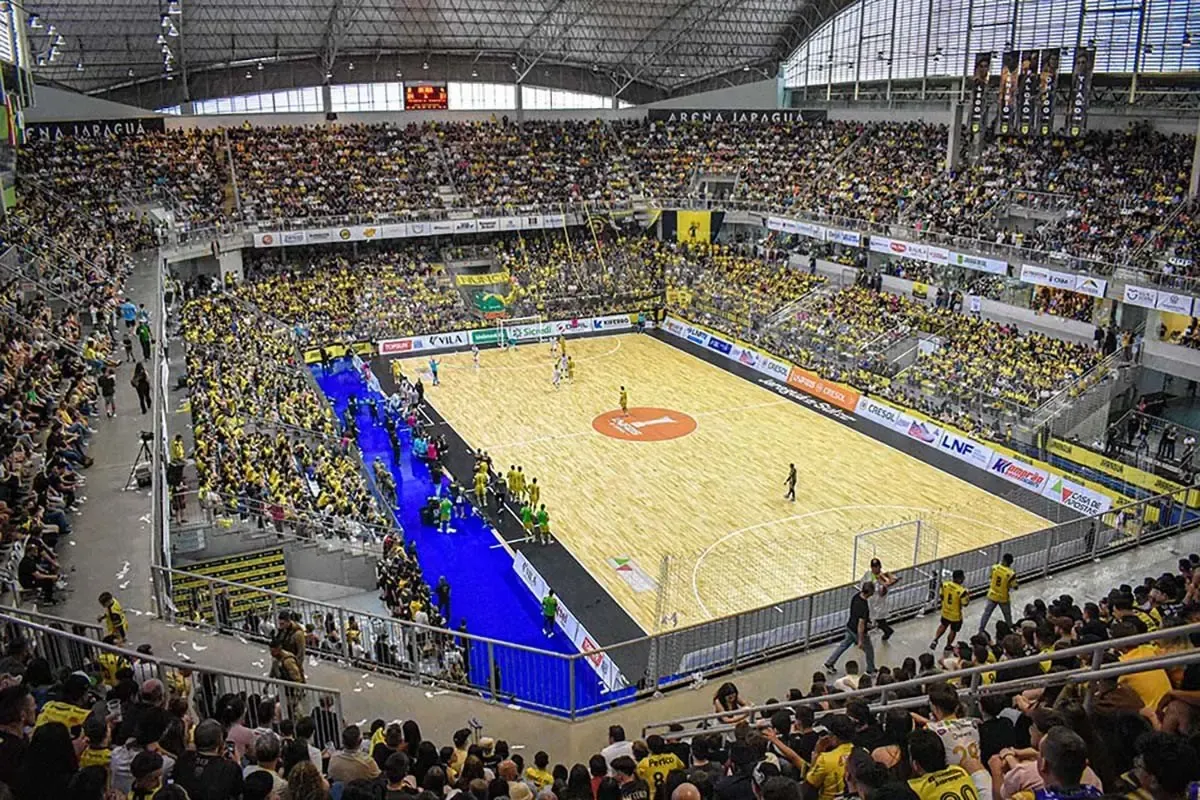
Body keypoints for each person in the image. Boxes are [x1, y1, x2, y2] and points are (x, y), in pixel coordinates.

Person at [173, 719, 245, 800]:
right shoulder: (230, 768)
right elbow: (239, 794)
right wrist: (238, 763)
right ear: (221, 743)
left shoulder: (183, 759)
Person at [824, 581, 876, 674]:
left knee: (843, 645)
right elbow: (861, 625)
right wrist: (860, 640)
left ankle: (830, 662)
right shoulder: (864, 606)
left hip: (850, 626)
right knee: (869, 650)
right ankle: (870, 670)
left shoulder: (856, 597)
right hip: (857, 631)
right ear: (869, 592)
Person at [803, 715, 856, 800]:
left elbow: (808, 787)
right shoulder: (864, 752)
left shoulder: (825, 759)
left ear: (833, 736)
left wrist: (816, 753)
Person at [930, 569, 968, 651]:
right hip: (955, 615)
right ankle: (948, 645)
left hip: (945, 611)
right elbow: (965, 604)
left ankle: (935, 639)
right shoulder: (962, 591)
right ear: (959, 579)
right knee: (953, 631)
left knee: (943, 625)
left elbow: (941, 595)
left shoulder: (945, 585)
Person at [979, 554, 1017, 633]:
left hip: (992, 595)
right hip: (1003, 597)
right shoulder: (1011, 573)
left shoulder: (994, 568)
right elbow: (1015, 586)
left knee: (986, 614)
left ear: (1004, 561)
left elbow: (990, 577)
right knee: (1007, 615)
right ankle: (1010, 628)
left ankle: (981, 629)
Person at [862, 558, 898, 641]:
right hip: (869, 601)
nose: (875, 568)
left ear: (880, 566)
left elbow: (882, 592)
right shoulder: (868, 574)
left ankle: (887, 631)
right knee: (866, 618)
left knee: (880, 620)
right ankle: (863, 634)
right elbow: (863, 584)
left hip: (878, 603)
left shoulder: (884, 577)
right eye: (873, 567)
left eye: (876, 566)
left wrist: (884, 585)